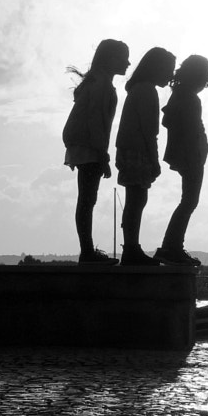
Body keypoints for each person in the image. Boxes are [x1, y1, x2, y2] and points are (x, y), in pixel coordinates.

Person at [62, 38, 129, 263]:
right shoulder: (101, 85)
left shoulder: (97, 82)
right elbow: (95, 123)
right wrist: (103, 155)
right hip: (89, 146)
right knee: (87, 199)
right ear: (110, 59)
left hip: (84, 144)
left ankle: (87, 251)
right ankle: (87, 252)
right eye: (123, 58)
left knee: (86, 198)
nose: (128, 63)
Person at [114, 47, 176, 265]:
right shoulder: (147, 91)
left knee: (136, 199)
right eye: (168, 70)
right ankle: (131, 249)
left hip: (129, 149)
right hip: (137, 151)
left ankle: (131, 247)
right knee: (136, 200)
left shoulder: (138, 89)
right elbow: (150, 130)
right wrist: (154, 159)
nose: (171, 76)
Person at [156, 54, 208, 265]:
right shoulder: (189, 99)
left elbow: (169, 121)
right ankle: (172, 247)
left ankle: (172, 246)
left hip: (189, 154)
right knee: (189, 201)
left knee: (188, 201)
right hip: (191, 156)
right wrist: (196, 153)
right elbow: (189, 130)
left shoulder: (179, 96)